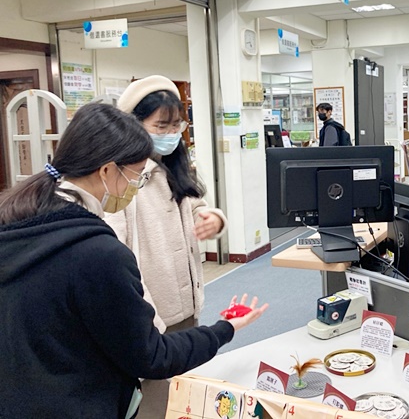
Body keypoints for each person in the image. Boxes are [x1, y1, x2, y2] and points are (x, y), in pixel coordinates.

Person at [0, 103, 268, 418]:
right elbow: (151, 356)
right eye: (136, 176)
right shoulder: (98, 252)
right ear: (106, 170)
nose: (135, 187)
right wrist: (225, 329)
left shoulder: (19, 220)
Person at [105, 75, 229, 417]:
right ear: (134, 125)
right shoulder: (122, 177)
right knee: (156, 400)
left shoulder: (173, 165)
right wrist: (146, 316)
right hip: (152, 312)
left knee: (185, 394)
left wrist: (213, 219)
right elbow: (115, 253)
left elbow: (196, 204)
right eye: (161, 126)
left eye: (177, 125)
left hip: (186, 303)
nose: (171, 133)